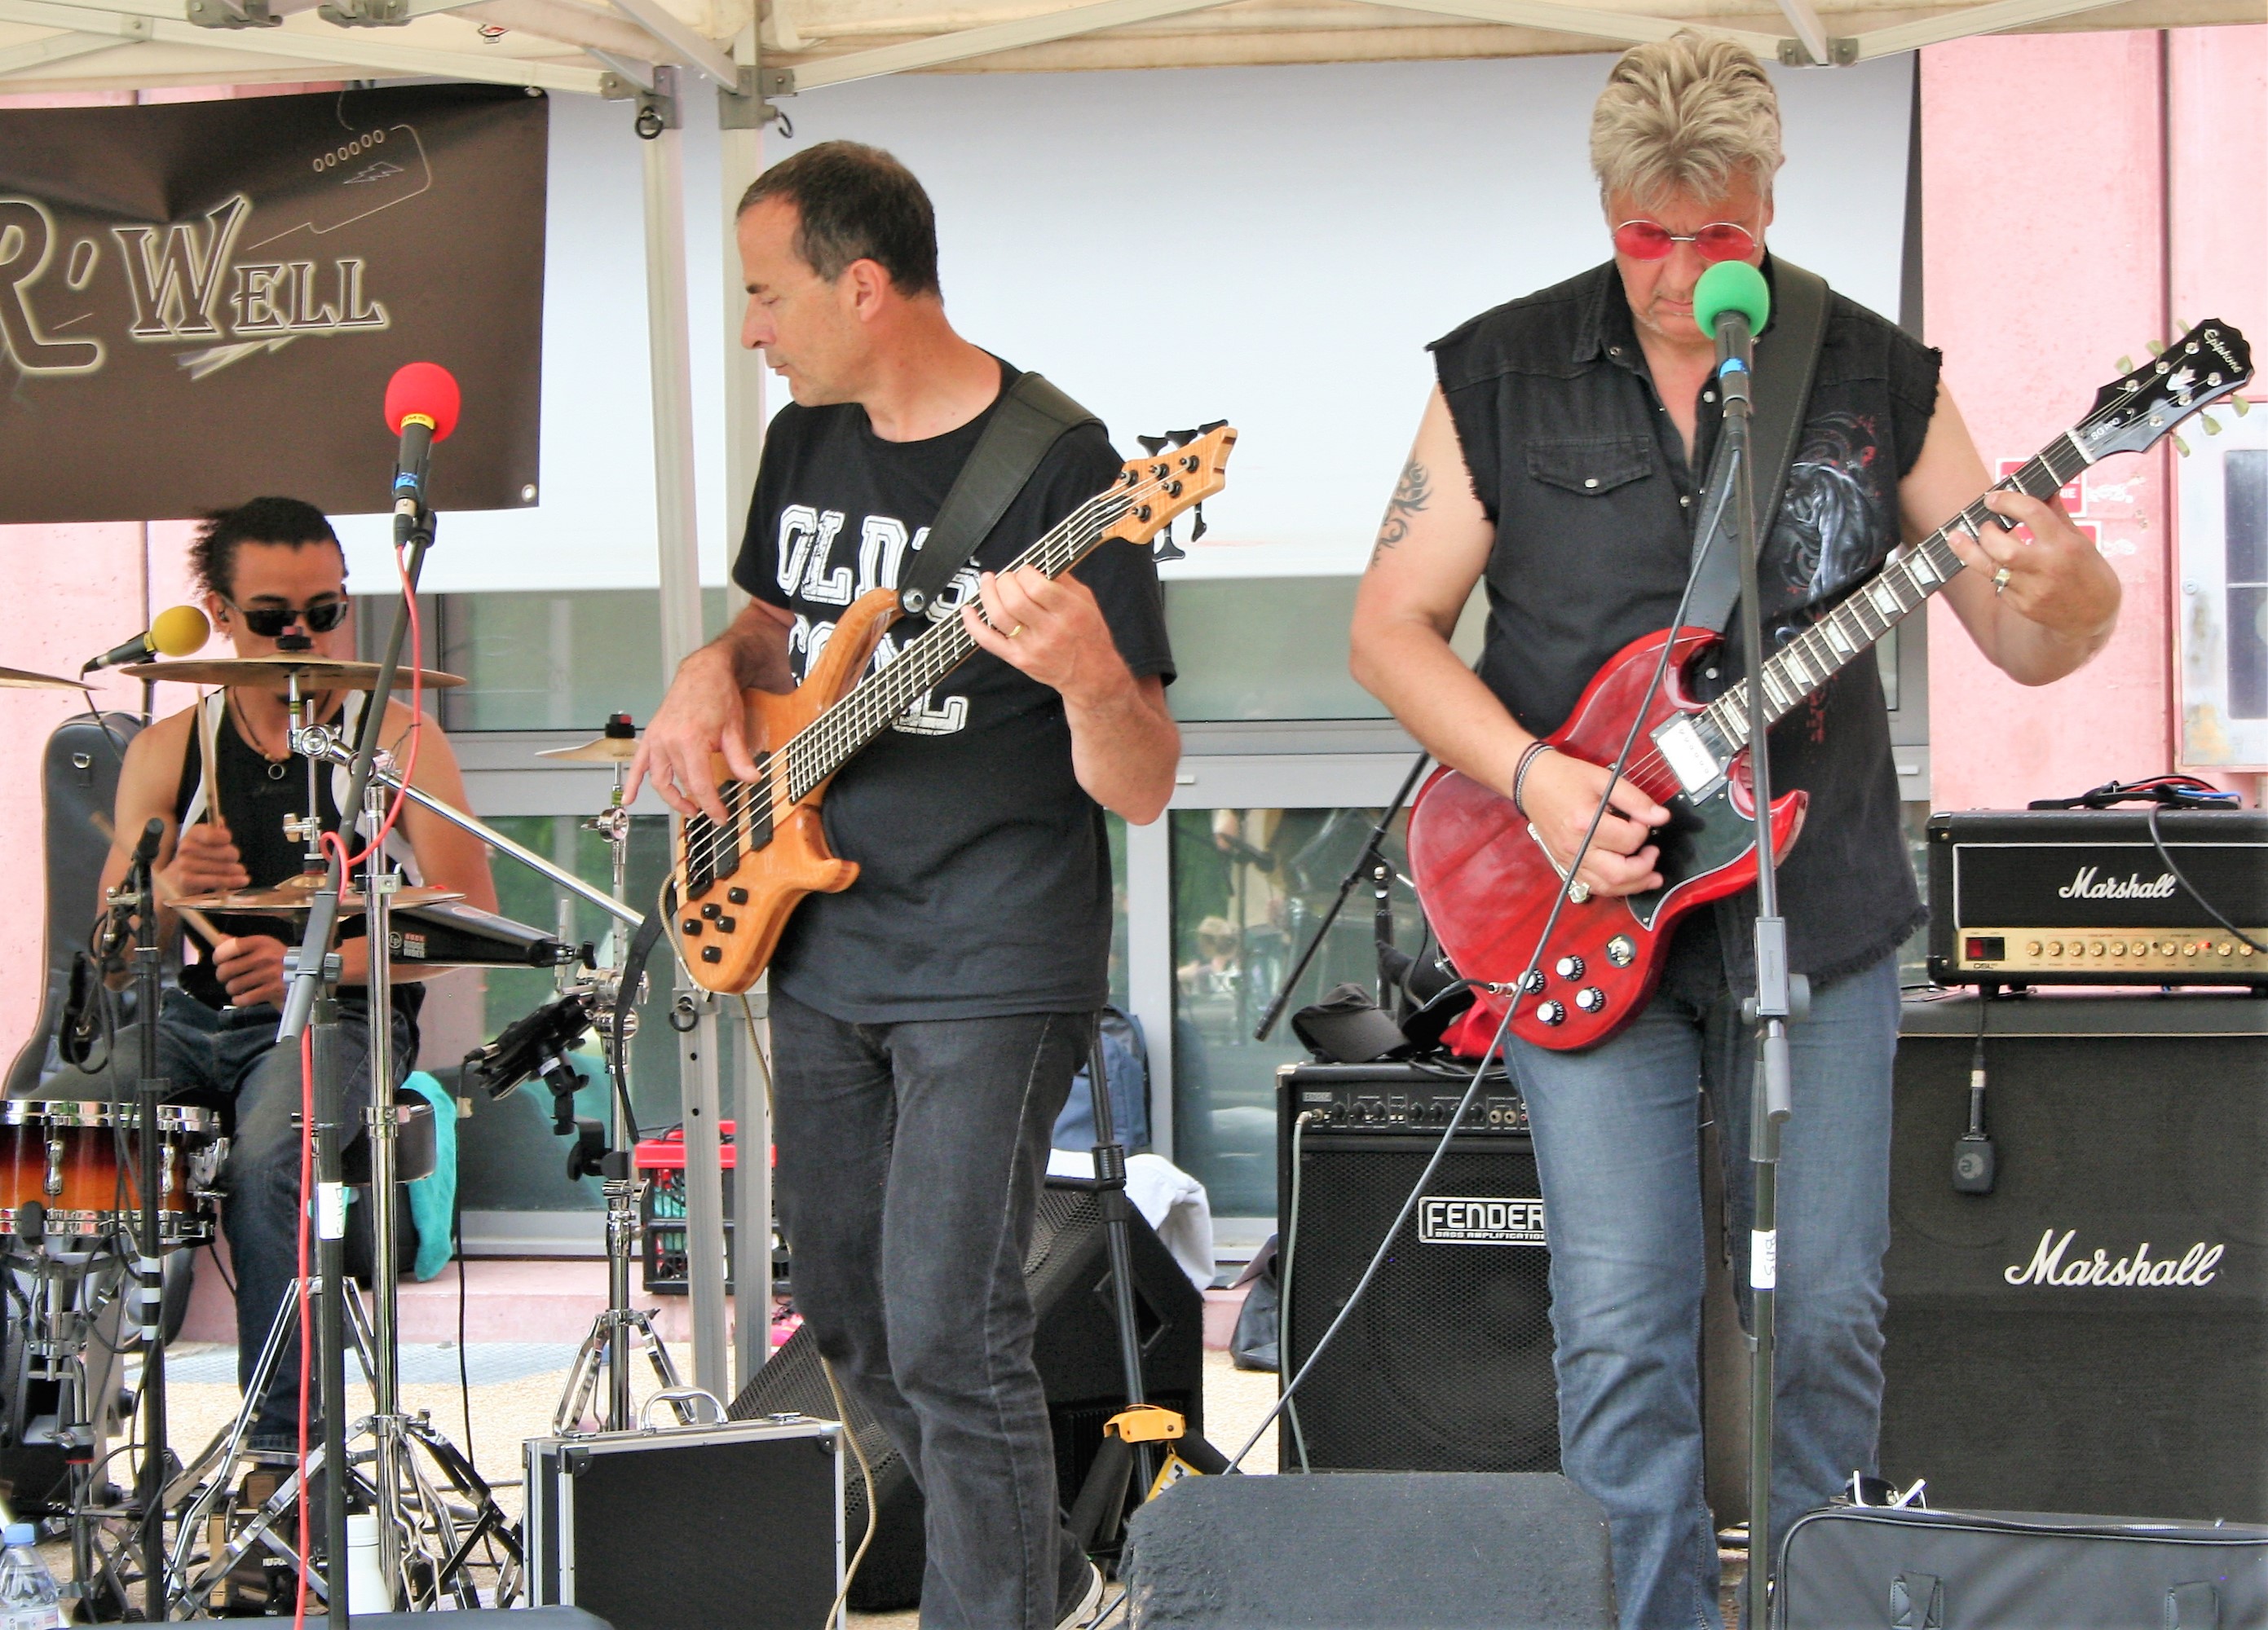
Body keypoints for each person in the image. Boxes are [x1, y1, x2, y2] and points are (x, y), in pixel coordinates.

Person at [1348, 35, 2119, 1630]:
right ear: (1604, 206)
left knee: (1824, 1311)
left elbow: (2020, 639)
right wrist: (1536, 782)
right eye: (1647, 232)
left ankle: (1815, 1606)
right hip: (1578, 896)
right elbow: (1386, 630)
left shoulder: (1871, 371)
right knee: (1620, 1319)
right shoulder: (1499, 369)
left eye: (1720, 233)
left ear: (1770, 200)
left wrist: (2078, 594)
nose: (1680, 269)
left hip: (1811, 902)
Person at [629, 142, 1177, 1630]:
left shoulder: (1067, 468)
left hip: (991, 951)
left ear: (861, 286)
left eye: (765, 294)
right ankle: (1048, 1577)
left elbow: (1140, 781)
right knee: (855, 1317)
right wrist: (707, 670)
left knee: (949, 1323)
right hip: (823, 937)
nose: (751, 328)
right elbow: (771, 633)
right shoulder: (806, 436)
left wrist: (1088, 676)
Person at [54, 496, 495, 1471]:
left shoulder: (399, 741)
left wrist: (315, 963)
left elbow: (469, 920)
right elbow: (113, 949)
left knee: (269, 1157)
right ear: (218, 612)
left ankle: (282, 1456)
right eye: (271, 615)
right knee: (60, 1121)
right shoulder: (171, 749)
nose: (302, 634)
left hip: (343, 1015)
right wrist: (165, 886)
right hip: (193, 1016)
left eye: (323, 610)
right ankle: (54, 1440)